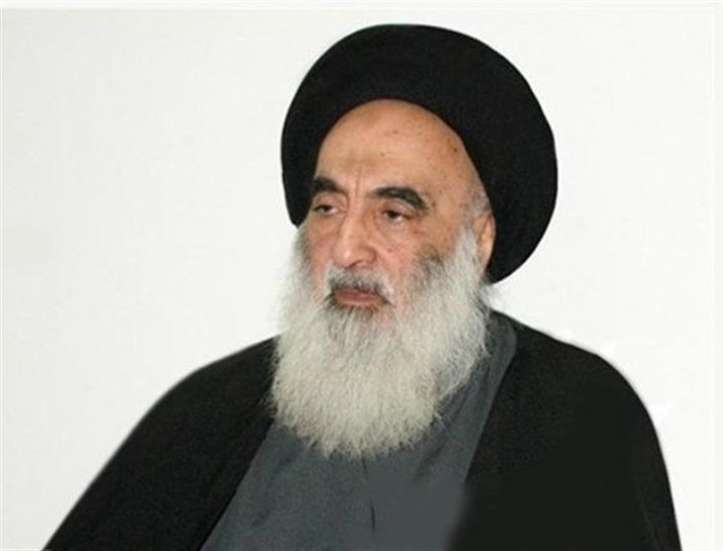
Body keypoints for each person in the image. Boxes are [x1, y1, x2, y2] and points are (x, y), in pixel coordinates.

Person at [47, 24, 681, 550]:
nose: (346, 249)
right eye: (327, 208)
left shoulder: (578, 417)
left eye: (394, 213)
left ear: (478, 239)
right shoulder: (206, 415)